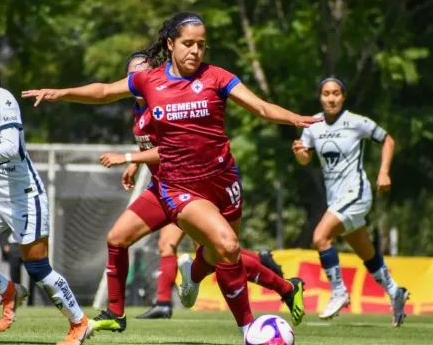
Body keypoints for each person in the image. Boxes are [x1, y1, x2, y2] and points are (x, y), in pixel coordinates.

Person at [22, 12, 322, 334]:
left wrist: (293, 118)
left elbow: (261, 108)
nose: (195, 51)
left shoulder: (217, 77)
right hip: (179, 186)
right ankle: (248, 329)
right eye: (188, 44)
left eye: (201, 45)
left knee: (217, 253)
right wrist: (60, 93)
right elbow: (104, 91)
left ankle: (200, 276)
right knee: (219, 246)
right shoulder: (149, 81)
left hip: (223, 180)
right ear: (171, 43)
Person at [91, 51, 290, 331]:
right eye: (132, 73)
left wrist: (128, 159)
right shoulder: (139, 107)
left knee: (218, 251)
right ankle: (117, 313)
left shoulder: (168, 100)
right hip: (161, 189)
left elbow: (172, 150)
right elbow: (149, 145)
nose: (137, 77)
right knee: (118, 238)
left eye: (143, 71)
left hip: (188, 189)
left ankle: (273, 284)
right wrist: (135, 164)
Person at [0, 52, 92, 345]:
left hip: (23, 196)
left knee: (38, 269)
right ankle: (7, 290)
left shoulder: (3, 100)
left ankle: (80, 323)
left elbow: (12, 149)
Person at [292, 77, 409, 327]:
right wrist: (300, 153)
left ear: (343, 96)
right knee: (366, 253)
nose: (331, 98)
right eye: (326, 93)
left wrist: (383, 172)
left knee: (320, 237)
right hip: (336, 199)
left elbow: (388, 139)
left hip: (356, 193)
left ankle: (338, 291)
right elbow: (304, 159)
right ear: (320, 97)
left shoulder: (356, 122)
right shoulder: (313, 125)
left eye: (336, 93)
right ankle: (395, 291)